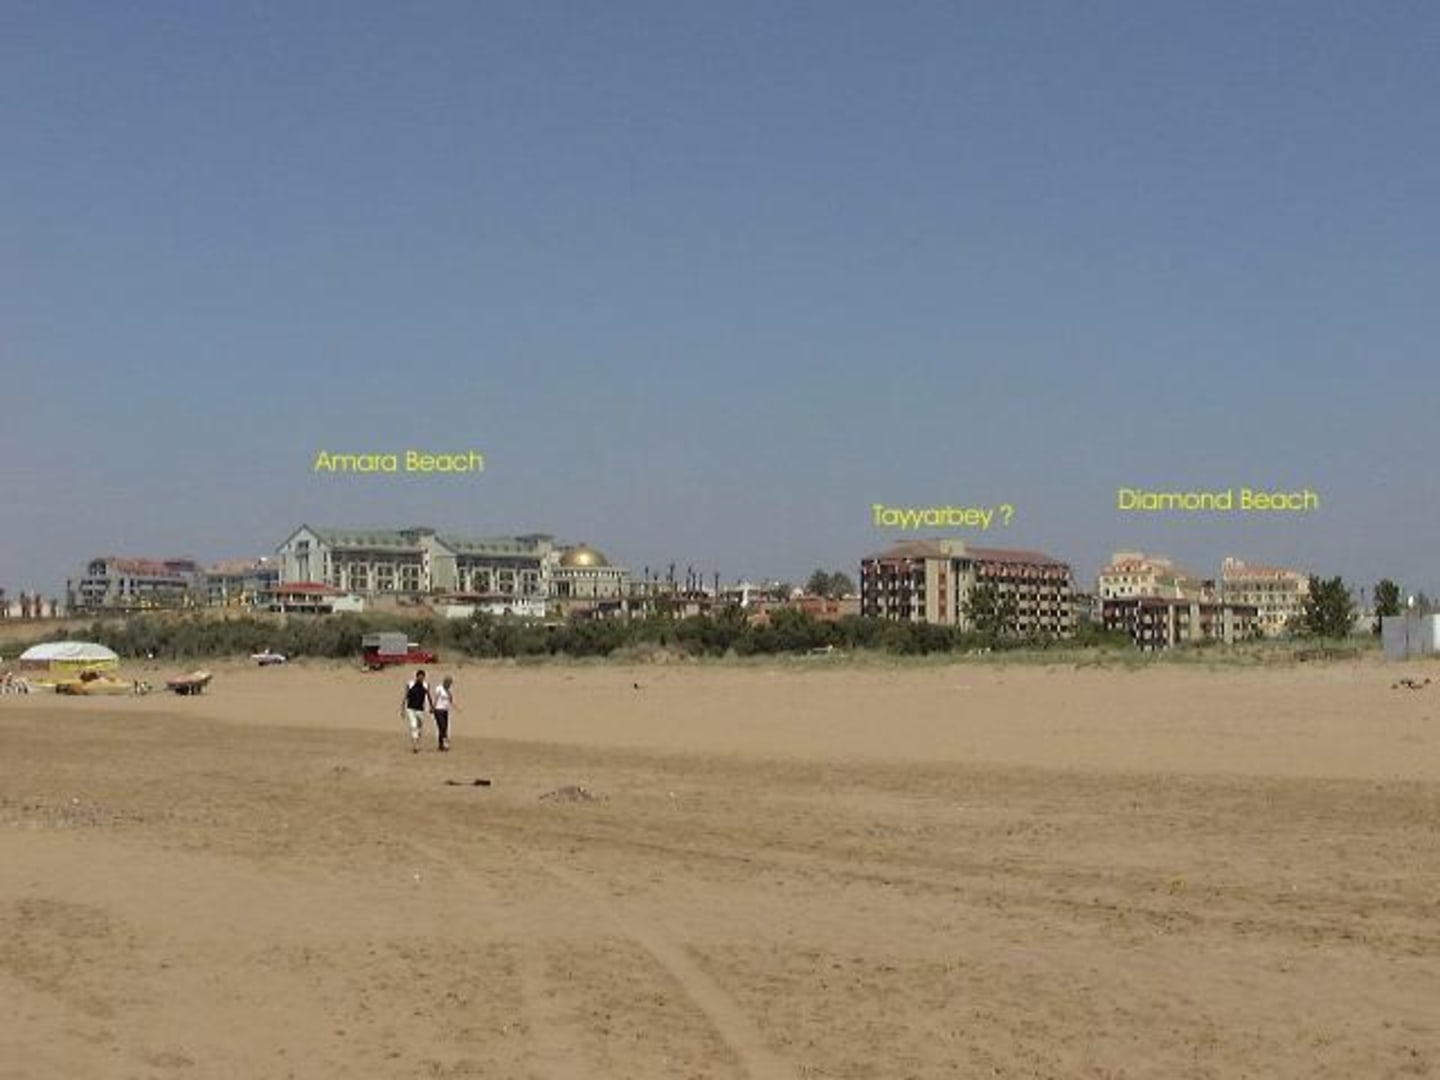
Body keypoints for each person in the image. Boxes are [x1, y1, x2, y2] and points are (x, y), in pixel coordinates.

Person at [402, 670, 433, 753]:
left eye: (422, 677)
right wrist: (403, 708)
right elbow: (405, 696)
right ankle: (415, 745)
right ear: (416, 677)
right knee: (413, 726)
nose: (421, 679)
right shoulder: (410, 684)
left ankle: (417, 741)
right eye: (419, 677)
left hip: (420, 710)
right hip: (410, 709)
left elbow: (428, 696)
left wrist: (431, 706)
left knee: (419, 727)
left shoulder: (426, 685)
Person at [432, 675, 455, 751]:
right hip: (438, 710)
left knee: (444, 727)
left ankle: (440, 745)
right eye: (448, 682)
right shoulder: (439, 688)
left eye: (450, 683)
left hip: (445, 710)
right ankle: (445, 743)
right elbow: (436, 698)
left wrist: (449, 693)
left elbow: (450, 700)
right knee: (442, 726)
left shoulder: (448, 690)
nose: (449, 684)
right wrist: (433, 707)